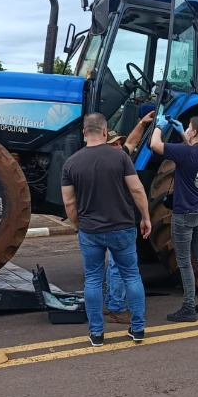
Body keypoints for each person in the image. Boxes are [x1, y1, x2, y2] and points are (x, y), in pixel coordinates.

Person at [61, 113, 152, 347]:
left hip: (90, 230)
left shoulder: (71, 163)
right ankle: (138, 329)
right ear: (104, 131)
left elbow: (69, 203)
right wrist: (145, 217)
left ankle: (97, 334)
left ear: (84, 133)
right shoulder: (120, 157)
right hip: (122, 227)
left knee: (92, 279)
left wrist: (76, 224)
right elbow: (137, 190)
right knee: (131, 275)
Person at [150, 115, 198, 322]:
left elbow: (154, 145)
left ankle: (188, 306)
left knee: (184, 262)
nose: (187, 129)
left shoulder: (183, 152)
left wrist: (160, 125)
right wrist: (180, 131)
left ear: (194, 132)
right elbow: (192, 150)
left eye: (188, 127)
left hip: (185, 214)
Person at [103, 111, 155, 324]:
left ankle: (110, 303)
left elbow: (132, 143)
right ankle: (117, 308)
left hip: (107, 223)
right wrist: (145, 217)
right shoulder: (117, 164)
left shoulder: (110, 160)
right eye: (114, 143)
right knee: (119, 266)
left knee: (111, 264)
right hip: (120, 222)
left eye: (119, 143)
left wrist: (142, 123)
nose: (120, 146)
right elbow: (136, 191)